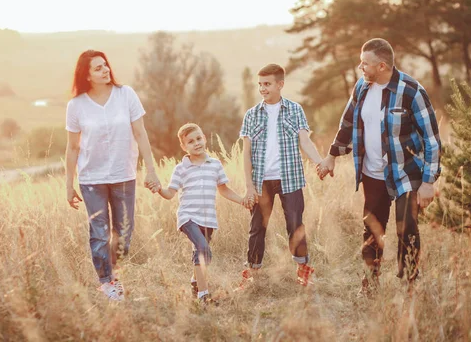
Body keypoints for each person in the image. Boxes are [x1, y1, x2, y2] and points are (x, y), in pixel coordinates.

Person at [317, 38, 441, 294]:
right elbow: (348, 123)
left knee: (407, 228)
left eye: (365, 63)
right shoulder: (362, 87)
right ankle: (369, 283)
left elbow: (432, 139)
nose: (360, 67)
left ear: (382, 65)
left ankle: (409, 284)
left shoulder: (411, 91)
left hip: (406, 172)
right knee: (372, 228)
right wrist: (331, 156)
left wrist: (428, 182)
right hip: (372, 172)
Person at [65, 49, 160, 301]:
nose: (105, 69)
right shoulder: (76, 106)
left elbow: (140, 133)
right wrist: (68, 184)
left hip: (123, 175)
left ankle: (114, 274)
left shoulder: (125, 94)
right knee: (99, 232)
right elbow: (73, 147)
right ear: (86, 74)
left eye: (105, 65)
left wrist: (151, 169)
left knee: (124, 233)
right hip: (91, 179)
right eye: (98, 67)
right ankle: (107, 282)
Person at [239, 63, 324, 288]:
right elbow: (246, 153)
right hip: (261, 182)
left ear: (280, 84)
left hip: (290, 178)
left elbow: (305, 141)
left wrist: (320, 162)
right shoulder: (251, 115)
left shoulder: (295, 110)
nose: (262, 89)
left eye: (267, 84)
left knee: (295, 225)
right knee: (257, 226)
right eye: (260, 85)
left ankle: (303, 270)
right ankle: (253, 272)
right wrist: (248, 186)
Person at [148, 123, 245, 305]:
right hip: (188, 217)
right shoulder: (181, 169)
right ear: (184, 147)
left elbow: (224, 190)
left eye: (199, 138)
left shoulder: (215, 165)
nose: (197, 143)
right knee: (202, 250)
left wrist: (242, 200)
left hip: (208, 219)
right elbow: (170, 194)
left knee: (201, 254)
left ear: (205, 138)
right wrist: (159, 189)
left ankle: (195, 282)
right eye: (191, 141)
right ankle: (203, 296)